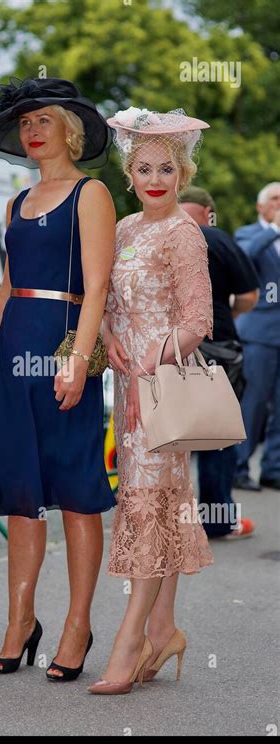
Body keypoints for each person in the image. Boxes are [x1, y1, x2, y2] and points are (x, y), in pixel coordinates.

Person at [0, 76, 117, 681]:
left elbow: (98, 285)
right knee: (22, 501)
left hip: (63, 350)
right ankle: (19, 622)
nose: (33, 132)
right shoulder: (13, 203)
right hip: (15, 352)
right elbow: (5, 288)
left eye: (43, 122)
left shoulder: (92, 194)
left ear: (70, 130)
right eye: (25, 124)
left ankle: (78, 627)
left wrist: (79, 361)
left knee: (79, 497)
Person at [88, 107, 214, 695]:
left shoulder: (184, 234)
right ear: (130, 175)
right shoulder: (125, 229)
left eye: (167, 167)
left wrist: (147, 362)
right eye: (144, 168)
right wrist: (111, 341)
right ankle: (164, 630)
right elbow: (109, 302)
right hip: (127, 382)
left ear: (183, 172)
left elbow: (198, 319)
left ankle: (131, 638)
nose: (155, 178)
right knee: (156, 502)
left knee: (146, 502)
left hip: (163, 383)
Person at [179, 185, 260, 539]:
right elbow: (248, 295)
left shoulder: (152, 236)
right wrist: (227, 313)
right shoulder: (217, 238)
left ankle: (167, 519)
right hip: (216, 347)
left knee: (168, 433)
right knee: (217, 437)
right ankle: (216, 519)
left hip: (163, 347)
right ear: (208, 211)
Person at [233, 183, 280, 491]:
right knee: (253, 403)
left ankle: (273, 468)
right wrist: (273, 229)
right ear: (260, 207)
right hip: (260, 335)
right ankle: (238, 466)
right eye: (275, 199)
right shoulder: (249, 234)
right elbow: (245, 256)